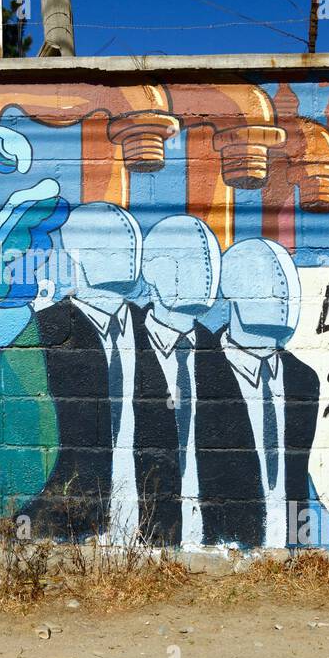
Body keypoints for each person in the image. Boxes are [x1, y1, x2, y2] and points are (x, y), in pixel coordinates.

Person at [21, 202, 143, 543]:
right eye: (110, 240)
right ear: (75, 252)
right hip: (72, 522)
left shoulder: (149, 330)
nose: (127, 248)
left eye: (129, 238)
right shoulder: (42, 332)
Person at [194, 238, 320, 548]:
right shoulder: (199, 371)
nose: (283, 300)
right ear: (232, 291)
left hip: (289, 555)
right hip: (223, 549)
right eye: (271, 287)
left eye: (287, 289)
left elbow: (296, 478)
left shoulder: (303, 379)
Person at [134, 215, 222, 546]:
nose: (206, 274)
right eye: (189, 261)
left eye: (210, 261)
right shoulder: (126, 348)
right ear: (152, 270)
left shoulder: (220, 355)